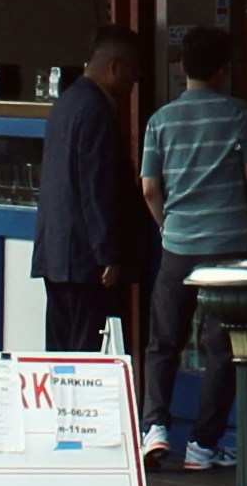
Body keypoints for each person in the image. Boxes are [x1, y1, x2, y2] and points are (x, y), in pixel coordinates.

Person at [140, 22, 247, 470]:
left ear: (181, 66)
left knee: (163, 341)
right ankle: (202, 446)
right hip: (226, 249)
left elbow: (149, 187)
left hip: (178, 247)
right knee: (221, 348)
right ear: (222, 71)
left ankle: (155, 428)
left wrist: (167, 227)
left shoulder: (160, 120)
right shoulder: (238, 113)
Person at [34, 26, 158, 393]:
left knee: (60, 354)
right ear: (115, 67)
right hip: (86, 259)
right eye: (134, 72)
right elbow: (96, 187)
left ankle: (60, 419)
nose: (134, 82)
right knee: (85, 355)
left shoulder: (66, 103)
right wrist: (108, 252)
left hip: (56, 252)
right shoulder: (97, 111)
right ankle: (79, 422)